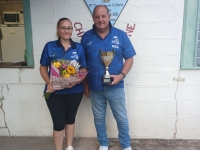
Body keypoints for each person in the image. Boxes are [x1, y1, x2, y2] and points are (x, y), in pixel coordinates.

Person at [81, 5, 136, 150]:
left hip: (115, 86)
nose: (100, 20)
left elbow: (130, 58)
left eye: (103, 16)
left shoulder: (121, 35)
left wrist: (121, 76)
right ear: (93, 18)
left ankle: (125, 145)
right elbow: (83, 64)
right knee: (98, 118)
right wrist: (85, 86)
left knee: (121, 118)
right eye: (97, 17)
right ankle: (104, 143)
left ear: (109, 16)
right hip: (95, 87)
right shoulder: (86, 37)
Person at [40, 18, 87, 150]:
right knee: (58, 122)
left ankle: (69, 146)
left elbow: (83, 69)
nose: (66, 31)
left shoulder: (79, 47)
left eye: (69, 28)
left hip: (75, 91)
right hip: (54, 91)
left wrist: (76, 81)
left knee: (70, 119)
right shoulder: (50, 46)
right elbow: (43, 67)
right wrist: (50, 83)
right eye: (63, 27)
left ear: (72, 30)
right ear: (58, 29)